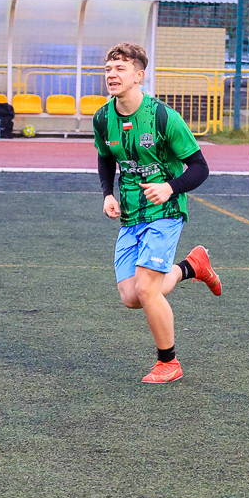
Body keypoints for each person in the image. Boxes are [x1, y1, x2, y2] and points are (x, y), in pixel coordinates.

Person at [94, 42, 222, 384]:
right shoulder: (103, 117)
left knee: (148, 289)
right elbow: (106, 157)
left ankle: (169, 362)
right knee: (131, 297)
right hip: (131, 216)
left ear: (139, 75)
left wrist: (170, 187)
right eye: (108, 69)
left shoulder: (163, 116)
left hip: (165, 211)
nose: (112, 75)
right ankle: (192, 267)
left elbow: (200, 167)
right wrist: (108, 193)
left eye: (120, 69)